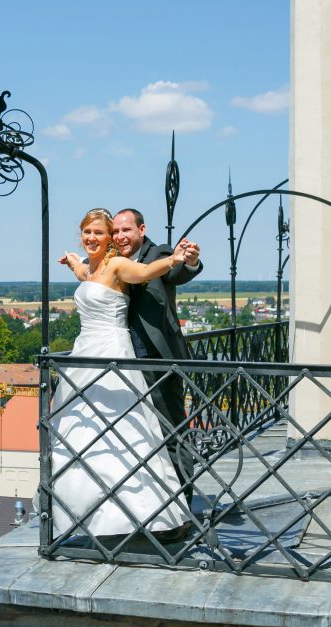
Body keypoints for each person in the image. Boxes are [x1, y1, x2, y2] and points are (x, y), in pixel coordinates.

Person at [50, 208, 198, 540]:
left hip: (125, 354)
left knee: (138, 432)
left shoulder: (122, 262)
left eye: (101, 233)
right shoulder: (92, 268)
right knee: (87, 432)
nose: (97, 238)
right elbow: (86, 279)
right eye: (88, 232)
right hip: (86, 355)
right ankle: (95, 514)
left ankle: (171, 513)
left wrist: (177, 258)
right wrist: (73, 262)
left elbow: (148, 271)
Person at [112, 208, 202, 504]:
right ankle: (148, 502)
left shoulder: (158, 253)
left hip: (159, 358)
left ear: (141, 229)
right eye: (116, 231)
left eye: (126, 230)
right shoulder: (116, 261)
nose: (120, 236)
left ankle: (183, 501)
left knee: (171, 430)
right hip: (122, 360)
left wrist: (190, 260)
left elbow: (177, 271)